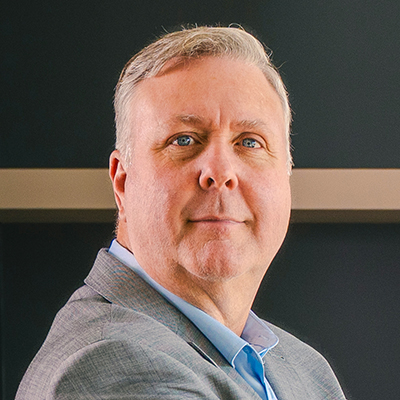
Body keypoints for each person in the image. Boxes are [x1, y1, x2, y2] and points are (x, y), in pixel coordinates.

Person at [16, 26, 347, 399]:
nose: (220, 172)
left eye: (249, 142)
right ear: (122, 182)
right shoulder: (113, 365)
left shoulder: (305, 370)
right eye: (184, 140)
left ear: (286, 176)